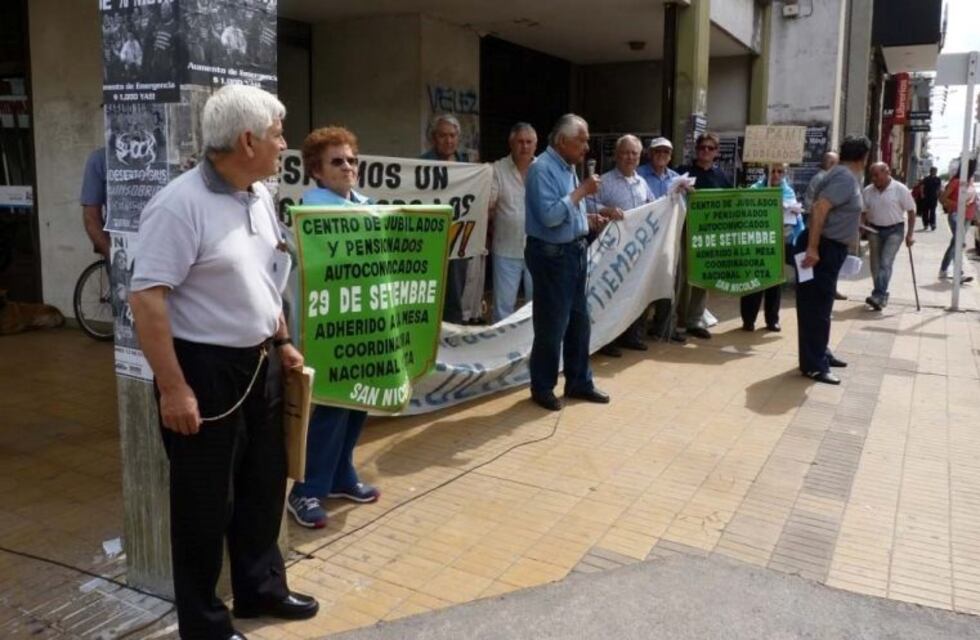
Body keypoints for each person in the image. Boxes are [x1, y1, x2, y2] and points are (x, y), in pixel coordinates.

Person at [129, 85, 318, 640]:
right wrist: (173, 389)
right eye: (279, 134)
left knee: (264, 486)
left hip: (260, 363)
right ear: (247, 139)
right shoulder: (179, 204)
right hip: (203, 373)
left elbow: (266, 276)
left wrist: (282, 341)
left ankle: (261, 589)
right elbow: (147, 300)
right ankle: (205, 624)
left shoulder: (257, 193)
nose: (284, 144)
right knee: (204, 505)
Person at [286, 126, 381, 529]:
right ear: (317, 172)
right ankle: (305, 491)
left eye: (352, 160)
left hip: (361, 322)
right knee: (326, 409)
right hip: (328, 326)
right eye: (337, 162)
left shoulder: (366, 205)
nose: (348, 168)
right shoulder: (311, 213)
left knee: (357, 402)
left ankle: (341, 475)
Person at [524, 113, 615, 411]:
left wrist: (586, 220)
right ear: (562, 141)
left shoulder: (568, 167)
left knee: (579, 322)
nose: (586, 147)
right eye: (582, 140)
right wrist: (582, 192)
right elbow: (549, 216)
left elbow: (565, 212)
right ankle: (542, 387)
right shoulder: (542, 169)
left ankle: (579, 382)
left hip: (574, 252)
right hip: (553, 258)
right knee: (552, 325)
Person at [794, 135, 871, 385]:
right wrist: (814, 249)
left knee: (821, 306)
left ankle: (820, 353)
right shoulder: (845, 178)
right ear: (864, 157)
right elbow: (819, 208)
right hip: (822, 249)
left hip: (829, 248)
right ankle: (813, 365)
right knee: (815, 308)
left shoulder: (842, 175)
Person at [590, 134, 656, 356]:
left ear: (640, 157)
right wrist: (607, 210)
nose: (630, 157)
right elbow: (587, 203)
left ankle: (632, 336)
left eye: (634, 153)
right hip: (613, 251)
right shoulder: (604, 181)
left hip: (637, 250)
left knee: (634, 292)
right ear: (617, 155)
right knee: (611, 296)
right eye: (625, 152)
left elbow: (654, 206)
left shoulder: (642, 183)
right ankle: (607, 340)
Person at [676, 132, 732, 340]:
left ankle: (695, 320)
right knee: (682, 275)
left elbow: (729, 203)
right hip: (685, 229)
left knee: (703, 275)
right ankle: (679, 318)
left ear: (716, 152)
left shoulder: (722, 177)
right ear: (696, 150)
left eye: (710, 148)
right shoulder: (683, 172)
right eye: (702, 148)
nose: (705, 152)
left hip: (710, 233)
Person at [422, 114, 470, 324]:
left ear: (458, 138)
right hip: (428, 241)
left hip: (458, 240)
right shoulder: (419, 164)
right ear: (433, 138)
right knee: (428, 293)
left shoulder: (468, 166)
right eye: (443, 136)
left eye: (452, 136)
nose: (448, 140)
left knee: (454, 296)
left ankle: (453, 343)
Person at [741, 164, 802, 332]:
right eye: (772, 171)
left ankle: (772, 320)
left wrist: (795, 213)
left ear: (784, 174)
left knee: (774, 281)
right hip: (757, 241)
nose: (775, 175)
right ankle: (748, 320)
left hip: (779, 242)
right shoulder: (755, 189)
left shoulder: (788, 191)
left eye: (779, 171)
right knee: (753, 280)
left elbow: (796, 220)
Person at [637, 137, 685, 344]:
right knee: (643, 283)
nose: (662, 155)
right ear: (650, 153)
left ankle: (664, 328)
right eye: (658, 151)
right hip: (645, 239)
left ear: (671, 156)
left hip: (668, 239)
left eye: (666, 152)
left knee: (668, 282)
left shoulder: (677, 179)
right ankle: (636, 331)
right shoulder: (639, 175)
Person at [489, 122, 537, 323]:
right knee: (503, 307)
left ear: (535, 144)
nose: (524, 146)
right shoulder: (497, 169)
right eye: (520, 142)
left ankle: (532, 351)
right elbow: (488, 206)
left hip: (538, 249)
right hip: (506, 249)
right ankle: (500, 352)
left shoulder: (544, 169)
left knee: (536, 306)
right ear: (511, 143)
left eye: (529, 142)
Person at [861, 162, 916, 310]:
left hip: (894, 230)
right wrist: (861, 227)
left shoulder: (900, 189)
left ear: (887, 172)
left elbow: (911, 211)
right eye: (872, 175)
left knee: (886, 262)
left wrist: (910, 234)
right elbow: (863, 212)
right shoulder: (868, 191)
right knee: (875, 265)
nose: (874, 179)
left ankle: (878, 294)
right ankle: (881, 296)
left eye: (877, 175)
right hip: (873, 230)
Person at [939, 159, 978, 281]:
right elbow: (942, 198)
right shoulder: (956, 182)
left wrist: (976, 217)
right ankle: (958, 273)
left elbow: (974, 200)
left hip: (968, 217)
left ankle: (944, 270)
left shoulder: (970, 182)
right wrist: (958, 204)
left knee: (955, 244)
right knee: (958, 243)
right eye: (974, 168)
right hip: (956, 215)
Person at [80, 147, 109, 259]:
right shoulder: (100, 159)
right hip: (121, 249)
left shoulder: (166, 156)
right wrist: (112, 254)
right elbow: (91, 217)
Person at [921, 167, 943, 231]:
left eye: (935, 171)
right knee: (925, 211)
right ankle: (925, 224)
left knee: (933, 211)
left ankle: (932, 224)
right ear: (930, 171)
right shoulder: (926, 178)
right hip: (926, 197)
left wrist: (939, 195)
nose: (934, 172)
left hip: (934, 198)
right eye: (933, 171)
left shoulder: (938, 179)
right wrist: (922, 194)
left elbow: (939, 188)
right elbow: (922, 186)